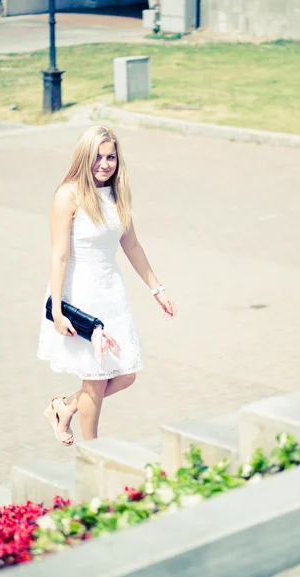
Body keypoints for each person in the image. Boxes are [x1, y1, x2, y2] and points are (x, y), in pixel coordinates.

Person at [37, 125, 176, 446]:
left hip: (111, 294)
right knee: (96, 381)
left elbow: (133, 245)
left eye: (110, 156)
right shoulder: (67, 195)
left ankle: (64, 407)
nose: (104, 163)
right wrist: (57, 310)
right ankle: (93, 450)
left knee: (126, 374)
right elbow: (59, 256)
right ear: (84, 158)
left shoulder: (117, 194)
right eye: (97, 157)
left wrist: (158, 289)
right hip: (79, 296)